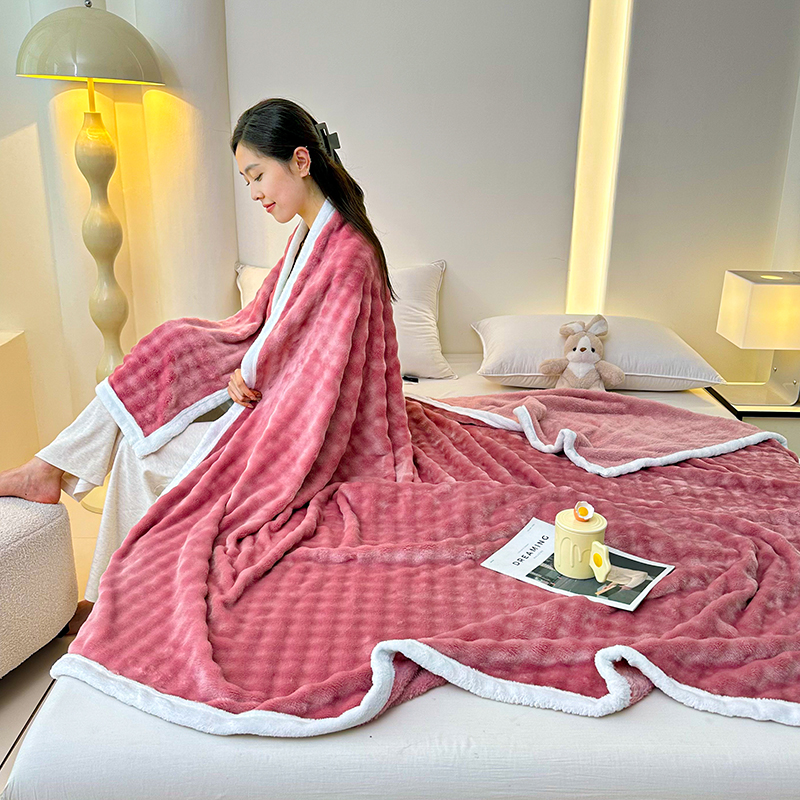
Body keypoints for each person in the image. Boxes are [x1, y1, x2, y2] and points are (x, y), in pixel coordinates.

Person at [0, 97, 397, 637]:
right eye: (246, 180)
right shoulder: (308, 236)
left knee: (139, 458)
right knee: (171, 346)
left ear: (301, 161)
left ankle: (112, 593)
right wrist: (244, 362)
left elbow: (326, 367)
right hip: (263, 397)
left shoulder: (347, 252)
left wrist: (254, 373)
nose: (254, 192)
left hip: (301, 427)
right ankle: (102, 575)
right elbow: (263, 321)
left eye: (258, 175)